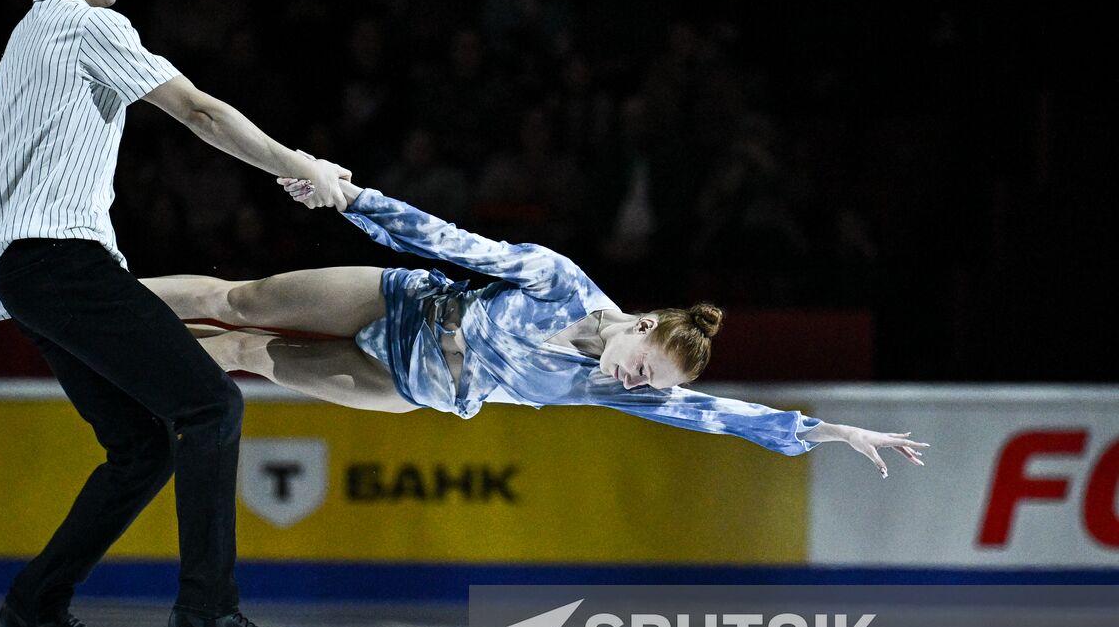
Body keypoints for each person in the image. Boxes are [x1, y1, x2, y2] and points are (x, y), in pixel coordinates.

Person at [0, 0, 347, 627]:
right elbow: (200, 113)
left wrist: (10, 278)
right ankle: (206, 614)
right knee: (212, 404)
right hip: (57, 260)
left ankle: (34, 605)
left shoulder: (28, 36)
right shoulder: (89, 26)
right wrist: (298, 166)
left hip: (23, 270)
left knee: (141, 447)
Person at [141, 171, 928, 475]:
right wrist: (354, 201)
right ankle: (102, 293)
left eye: (647, 386)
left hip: (411, 381)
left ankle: (115, 353)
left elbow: (728, 417)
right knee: (237, 299)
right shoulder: (557, 279)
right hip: (402, 300)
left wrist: (837, 432)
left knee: (244, 352)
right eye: (644, 365)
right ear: (644, 323)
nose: (634, 381)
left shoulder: (614, 391)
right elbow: (454, 242)